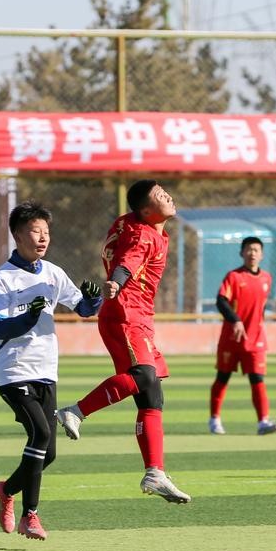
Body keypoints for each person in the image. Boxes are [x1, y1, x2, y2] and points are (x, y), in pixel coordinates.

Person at [56, 180, 191, 504]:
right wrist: (116, 282)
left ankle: (155, 472)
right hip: (127, 314)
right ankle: (75, 411)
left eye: (164, 191)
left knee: (151, 395)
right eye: (159, 195)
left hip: (137, 315)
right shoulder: (145, 234)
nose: (167, 196)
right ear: (146, 210)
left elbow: (123, 245)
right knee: (143, 376)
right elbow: (128, 261)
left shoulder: (132, 224)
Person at [0, 200, 102, 541]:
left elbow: (82, 308)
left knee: (47, 452)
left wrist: (93, 300)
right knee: (41, 434)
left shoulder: (52, 272)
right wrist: (30, 316)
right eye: (35, 231)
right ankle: (30, 516)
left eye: (46, 232)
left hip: (45, 369)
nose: (42, 237)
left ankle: (6, 490)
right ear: (18, 235)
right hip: (13, 370)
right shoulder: (2, 278)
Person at [209, 236, 276, 436]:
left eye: (256, 250)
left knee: (257, 379)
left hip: (256, 339)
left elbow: (260, 307)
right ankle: (214, 419)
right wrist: (235, 320)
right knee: (223, 377)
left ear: (262, 254)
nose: (252, 253)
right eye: (248, 249)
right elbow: (221, 301)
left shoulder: (267, 278)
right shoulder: (234, 277)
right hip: (231, 338)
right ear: (242, 253)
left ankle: (263, 422)